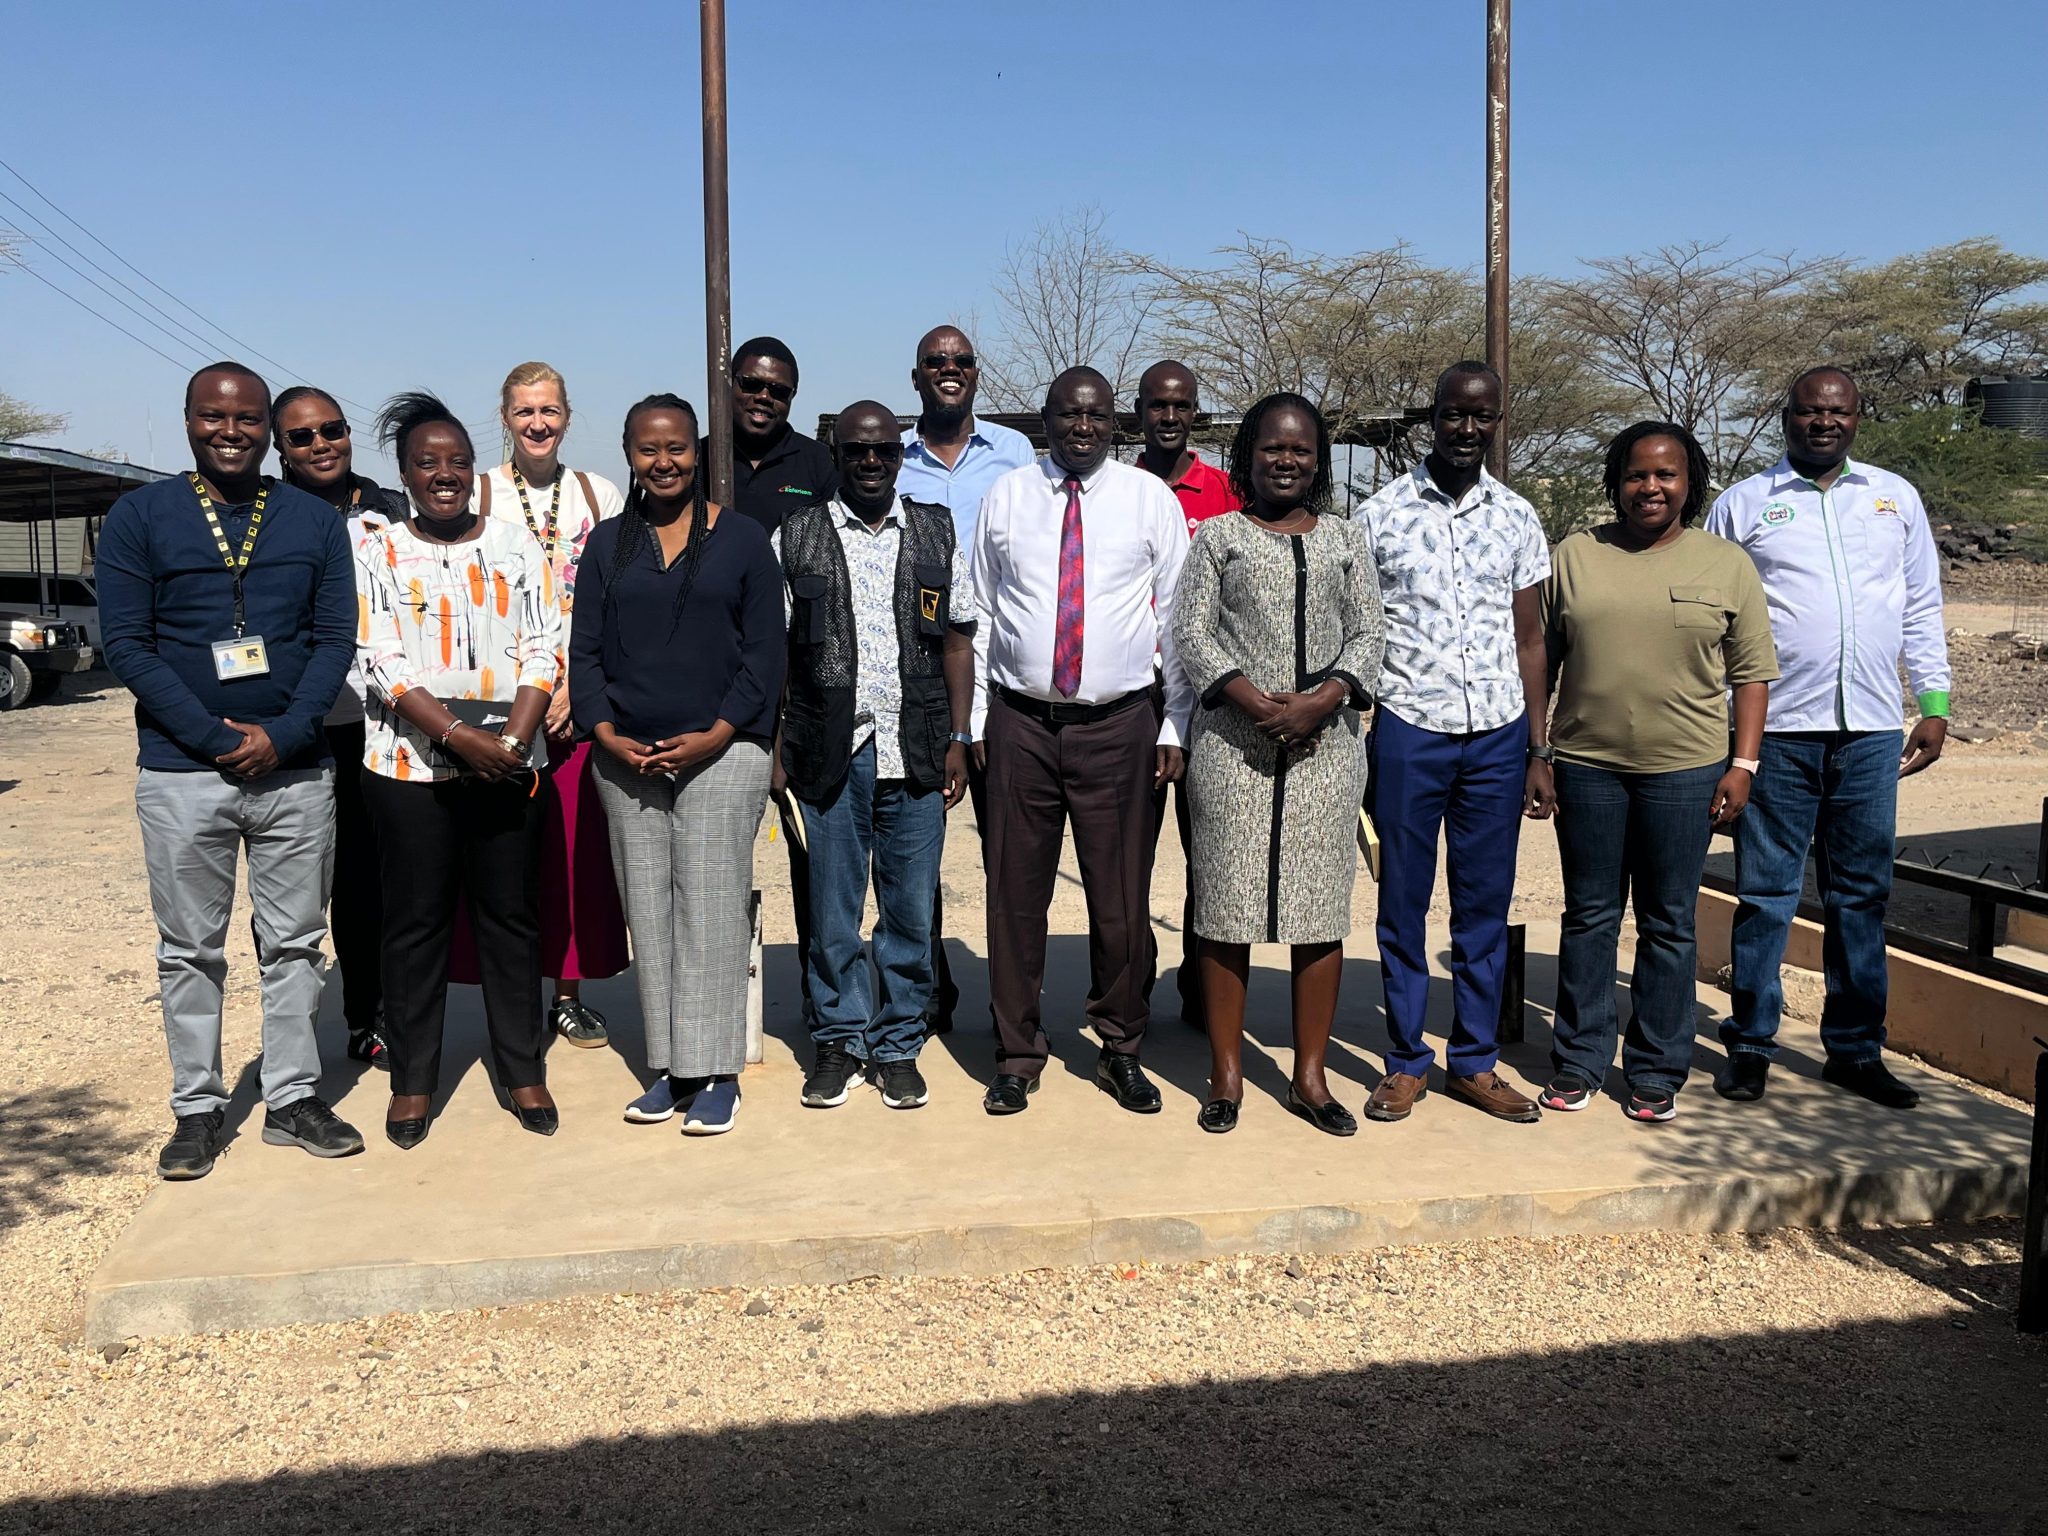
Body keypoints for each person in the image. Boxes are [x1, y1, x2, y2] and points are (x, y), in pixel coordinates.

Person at [99, 361, 364, 1179]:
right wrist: (214, 737)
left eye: (248, 418)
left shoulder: (311, 520)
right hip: (182, 774)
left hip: (296, 770)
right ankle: (197, 1108)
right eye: (214, 417)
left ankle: (291, 1097)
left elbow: (334, 638)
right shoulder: (140, 516)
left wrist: (283, 735)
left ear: (268, 430)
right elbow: (129, 646)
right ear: (188, 420)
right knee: (190, 950)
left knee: (295, 944)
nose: (231, 432)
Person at [1704, 366, 1951, 1110]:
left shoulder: (1893, 497)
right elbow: (1715, 623)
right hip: (1776, 732)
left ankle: (1855, 1050)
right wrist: (1727, 733)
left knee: (1861, 896)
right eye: (1810, 410)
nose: (1824, 422)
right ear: (1786, 417)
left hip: (1871, 730)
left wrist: (1933, 702)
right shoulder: (1744, 504)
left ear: (1857, 417)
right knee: (1766, 894)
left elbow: (1921, 604)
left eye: (1838, 411)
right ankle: (1751, 1044)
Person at [1527, 422, 1778, 1123]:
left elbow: (1752, 673)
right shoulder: (1575, 555)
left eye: (1667, 474)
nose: (1651, 487)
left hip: (1686, 771)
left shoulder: (1726, 564)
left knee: (1668, 921)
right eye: (1637, 474)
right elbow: (1538, 659)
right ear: (1618, 482)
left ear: (1689, 483)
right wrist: (1538, 751)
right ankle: (1579, 1059)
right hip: (1587, 768)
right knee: (1590, 916)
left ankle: (1657, 1067)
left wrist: (1743, 764)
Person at [970, 366, 1192, 1116]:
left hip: (1121, 726)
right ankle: (1017, 1053)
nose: (1083, 428)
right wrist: (980, 719)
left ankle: (1120, 1047)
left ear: (1115, 423)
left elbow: (1175, 620)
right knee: (1014, 898)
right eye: (1069, 414)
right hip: (1021, 724)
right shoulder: (1008, 496)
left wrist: (1174, 721)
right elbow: (983, 611)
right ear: (1047, 419)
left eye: (1096, 415)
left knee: (1121, 901)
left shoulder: (1148, 499)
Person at [574, 394, 784, 1137]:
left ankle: (718, 1071)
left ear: (697, 452)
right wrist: (605, 733)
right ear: (628, 454)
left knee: (711, 907)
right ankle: (672, 1068)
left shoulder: (744, 540)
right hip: (627, 756)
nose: (663, 462)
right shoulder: (607, 545)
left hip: (722, 751)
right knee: (651, 912)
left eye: (676, 448)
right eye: (647, 449)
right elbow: (584, 651)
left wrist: (716, 734)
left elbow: (765, 655)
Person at [1172, 394, 1383, 1135]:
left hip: (1326, 752)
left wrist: (1322, 700)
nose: (1285, 460)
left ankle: (1309, 1076)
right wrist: (1257, 705)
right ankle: (1226, 1074)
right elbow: (1192, 632)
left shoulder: (1346, 540)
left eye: (1300, 450)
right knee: (1225, 909)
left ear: (1318, 461)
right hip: (1233, 746)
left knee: (1318, 913)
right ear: (1248, 456)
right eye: (1271, 448)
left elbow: (1368, 635)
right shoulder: (1219, 537)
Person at [356, 392, 562, 1149]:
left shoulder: (516, 544)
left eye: (458, 462)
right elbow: (378, 657)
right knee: (414, 927)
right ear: (405, 474)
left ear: (475, 471)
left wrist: (510, 741)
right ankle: (413, 1080)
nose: (444, 474)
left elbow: (544, 643)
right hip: (410, 770)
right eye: (426, 463)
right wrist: (454, 736)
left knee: (511, 920)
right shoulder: (376, 551)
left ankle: (522, 1068)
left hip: (508, 764)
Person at [1354, 361, 1547, 1125]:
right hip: (1409, 729)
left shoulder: (1518, 518)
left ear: (1498, 420)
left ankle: (1474, 1061)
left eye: (1482, 415)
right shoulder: (1380, 515)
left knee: (1484, 904)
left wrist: (1539, 746)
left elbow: (1530, 638)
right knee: (1403, 901)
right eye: (1453, 414)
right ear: (1431, 418)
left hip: (1498, 736)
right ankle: (1406, 1061)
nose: (1468, 428)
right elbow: (1360, 630)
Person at [772, 401, 976, 1111]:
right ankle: (839, 1039)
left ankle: (898, 1043)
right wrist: (776, 744)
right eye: (856, 450)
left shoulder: (934, 531)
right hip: (831, 749)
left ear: (899, 456)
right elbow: (777, 652)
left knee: (910, 911)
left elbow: (957, 640)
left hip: (917, 746)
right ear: (836, 454)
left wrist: (959, 737)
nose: (870, 461)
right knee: (832, 912)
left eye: (883, 450)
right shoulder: (796, 535)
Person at [460, 361, 630, 1049]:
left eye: (549, 411)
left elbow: (617, 602)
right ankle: (509, 1000)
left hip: (574, 703)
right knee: (500, 863)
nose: (538, 423)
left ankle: (566, 994)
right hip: (499, 708)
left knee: (570, 862)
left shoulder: (598, 494)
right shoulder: (477, 492)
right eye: (525, 411)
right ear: (505, 416)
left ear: (567, 416)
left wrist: (577, 690)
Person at [895, 324, 1036, 1034]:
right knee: (917, 852)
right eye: (935, 362)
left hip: (1001, 675)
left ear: (976, 373)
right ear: (916, 376)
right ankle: (930, 988)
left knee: (1006, 853)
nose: (949, 370)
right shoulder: (891, 459)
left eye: (961, 361)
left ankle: (1013, 1004)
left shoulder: (1015, 455)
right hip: (922, 675)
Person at [273, 385, 406, 1071]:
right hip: (304, 724)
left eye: (333, 429)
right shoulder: (268, 515)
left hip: (381, 722)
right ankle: (303, 1036)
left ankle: (374, 1014)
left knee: (372, 879)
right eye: (302, 436)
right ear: (280, 449)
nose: (321, 444)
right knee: (302, 889)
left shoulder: (392, 509)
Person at [720, 337, 836, 1036]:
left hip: (799, 687)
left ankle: (823, 1008)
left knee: (812, 859)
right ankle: (716, 1008)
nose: (764, 398)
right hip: (714, 685)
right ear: (730, 383)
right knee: (718, 855)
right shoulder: (697, 455)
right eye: (752, 384)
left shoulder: (816, 465)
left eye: (779, 390)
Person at [1135, 359, 1243, 1032]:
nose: (1169, 416)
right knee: (1131, 854)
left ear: (1195, 413)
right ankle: (1133, 985)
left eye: (1181, 405)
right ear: (1139, 413)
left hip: (1211, 697)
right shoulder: (1121, 488)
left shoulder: (1224, 491)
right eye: (1157, 405)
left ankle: (1204, 987)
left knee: (1210, 851)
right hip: (1139, 696)